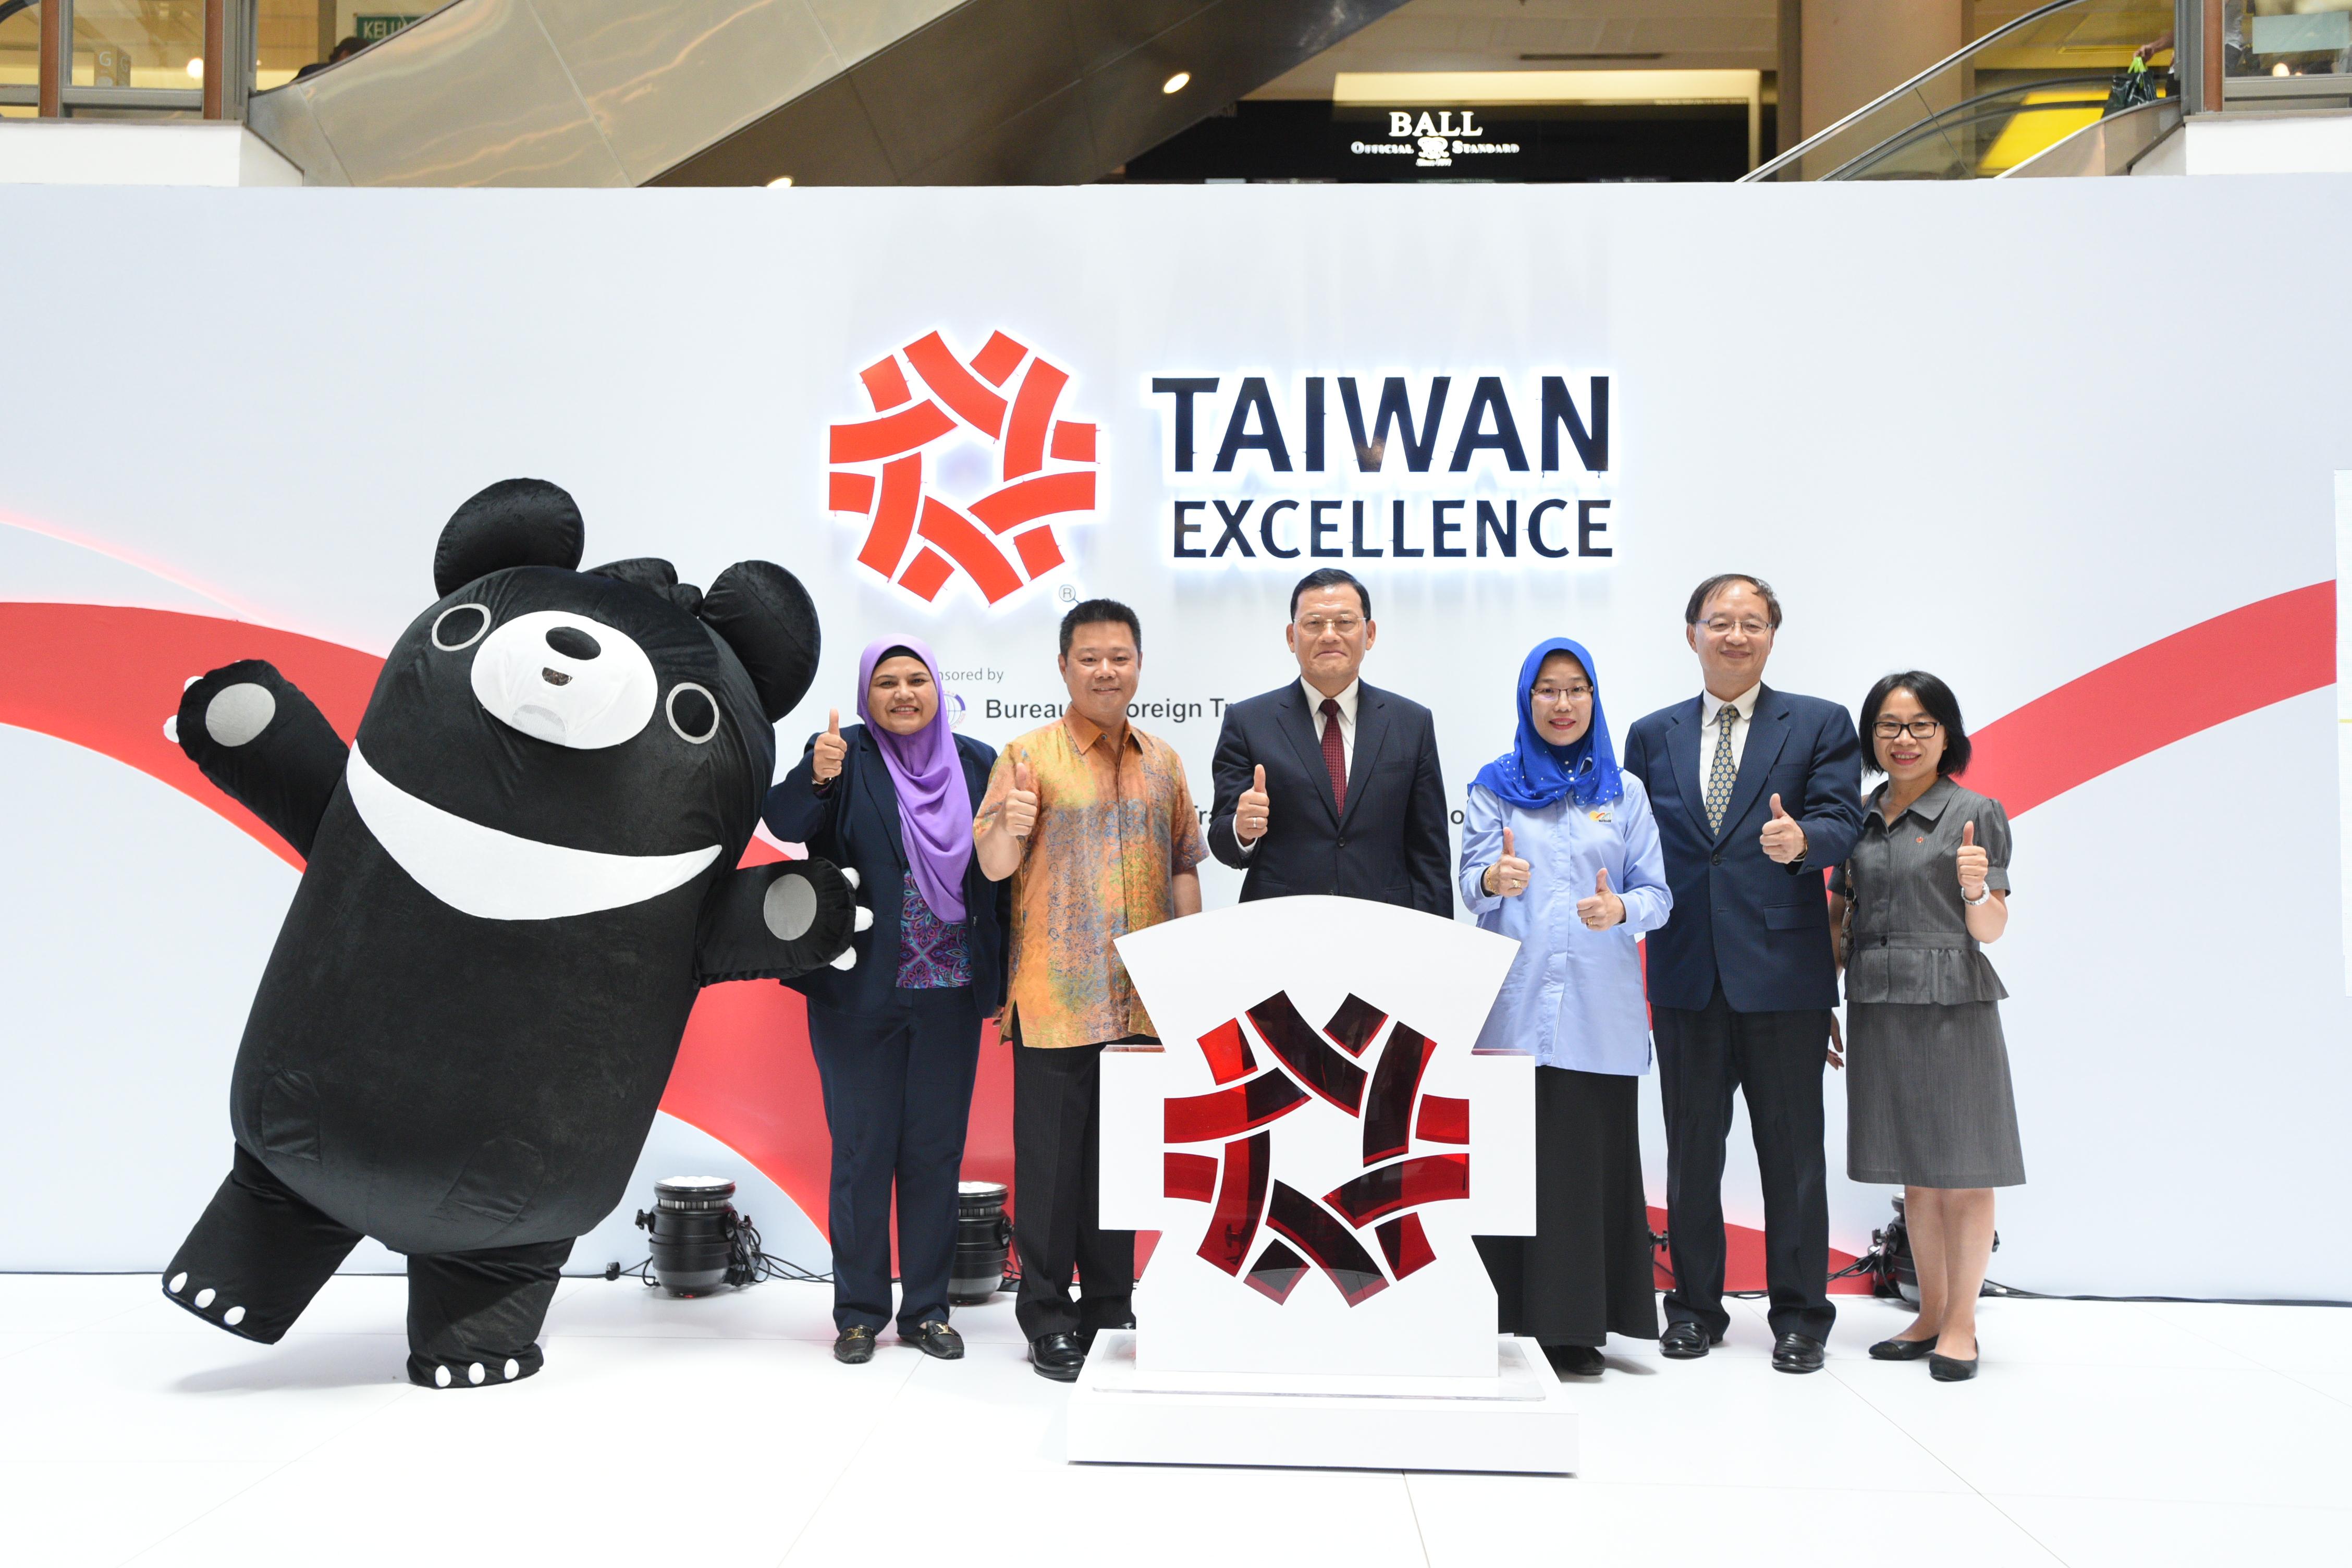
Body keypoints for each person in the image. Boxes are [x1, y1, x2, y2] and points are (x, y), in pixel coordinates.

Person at [1621, 574, 1863, 1374]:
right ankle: (1693, 1308)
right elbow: (1635, 843)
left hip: (1782, 975)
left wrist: (1805, 846)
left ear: (1771, 635)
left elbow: (1842, 820)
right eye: (1718, 621)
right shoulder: (1651, 735)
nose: (1734, 635)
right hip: (1686, 971)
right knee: (1692, 1154)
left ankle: (1800, 1317)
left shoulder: (1819, 723)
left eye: (1751, 623)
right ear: (1690, 633)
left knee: (1792, 1154)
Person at [973, 599, 1205, 1381]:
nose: (1107, 670)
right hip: (1055, 999)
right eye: (1090, 658)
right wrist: (1011, 819)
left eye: (1120, 657)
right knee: (1050, 1171)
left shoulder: (1165, 762)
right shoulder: (1026, 757)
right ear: (1064, 666)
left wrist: (1188, 973)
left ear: (1138, 664)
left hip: (1140, 1003)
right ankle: (1045, 1314)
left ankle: (1110, 1303)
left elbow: (1183, 865)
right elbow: (996, 867)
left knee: (1123, 1164)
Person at [762, 638, 1008, 1366]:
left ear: (938, 687)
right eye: (887, 683)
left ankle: (928, 1309)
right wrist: (815, 777)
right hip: (858, 991)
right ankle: (861, 1311)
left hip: (950, 991)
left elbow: (999, 873)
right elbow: (785, 823)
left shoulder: (976, 763)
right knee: (863, 1153)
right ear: (867, 693)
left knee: (935, 1154)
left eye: (917, 679)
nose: (904, 693)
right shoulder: (842, 755)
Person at [1460, 638, 1671, 1377]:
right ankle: (1502, 1316)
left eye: (1575, 690)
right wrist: (1496, 876)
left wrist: (1623, 911)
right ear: (1527, 701)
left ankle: (1578, 1328)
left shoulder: (1626, 793)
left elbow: (1658, 893)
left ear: (1594, 699)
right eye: (1546, 691)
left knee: (1584, 1169)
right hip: (1515, 1012)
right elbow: (1468, 884)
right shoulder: (1494, 785)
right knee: (1511, 1165)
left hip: (1596, 1012)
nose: (1562, 704)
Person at [1830, 671, 2021, 1383]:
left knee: (1964, 1171)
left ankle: (1963, 1325)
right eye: (1888, 726)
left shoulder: (1976, 811)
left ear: (1947, 733)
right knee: (1916, 1172)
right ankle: (1930, 1313)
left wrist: (1975, 887)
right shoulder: (1858, 816)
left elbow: (1993, 928)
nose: (1903, 740)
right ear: (1871, 736)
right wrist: (1825, 992)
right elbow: (1839, 918)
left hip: (1952, 1000)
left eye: (1919, 726)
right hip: (1877, 999)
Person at [1207, 567, 1451, 915]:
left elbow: (1430, 854)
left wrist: (1438, 948)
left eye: (1345, 622)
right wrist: (1242, 829)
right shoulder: (1248, 722)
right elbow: (1222, 840)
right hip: (1280, 927)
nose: (1330, 635)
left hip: (1386, 926)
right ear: (1292, 637)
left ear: (1370, 633)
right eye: (1314, 623)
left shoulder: (1411, 723)